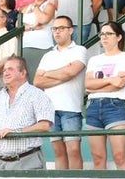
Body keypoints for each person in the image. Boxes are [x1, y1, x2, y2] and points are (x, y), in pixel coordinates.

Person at [0, 56, 54, 170]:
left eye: (10, 69)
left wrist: (17, 131)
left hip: (28, 161)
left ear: (23, 73)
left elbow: (45, 126)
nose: (5, 73)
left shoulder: (37, 95)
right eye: (4, 70)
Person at [35, 16, 87, 170]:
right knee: (58, 152)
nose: (57, 32)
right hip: (50, 109)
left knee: (73, 150)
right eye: (54, 29)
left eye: (61, 28)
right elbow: (37, 81)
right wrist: (64, 74)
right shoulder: (48, 55)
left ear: (70, 30)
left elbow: (72, 72)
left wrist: (48, 73)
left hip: (71, 107)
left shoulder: (79, 50)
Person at [84, 22, 125, 171]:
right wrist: (111, 79)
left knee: (119, 156)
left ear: (119, 37)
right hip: (93, 106)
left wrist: (96, 87)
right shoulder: (94, 60)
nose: (104, 37)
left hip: (115, 106)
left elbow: (119, 85)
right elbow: (87, 84)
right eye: (102, 34)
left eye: (109, 34)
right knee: (98, 158)